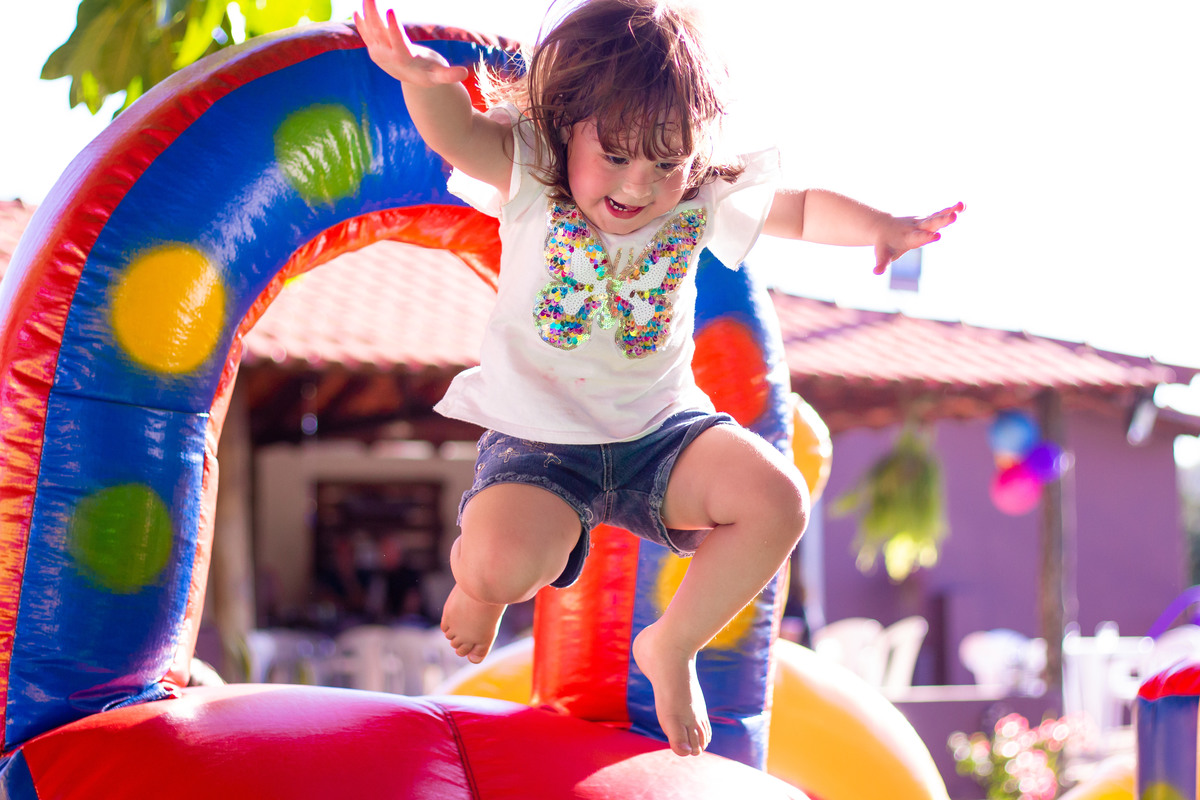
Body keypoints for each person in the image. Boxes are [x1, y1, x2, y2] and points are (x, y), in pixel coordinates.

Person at [356, 0, 961, 757]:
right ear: (567, 129)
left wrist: (881, 227)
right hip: (543, 444)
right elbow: (459, 134)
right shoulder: (533, 176)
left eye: (666, 163)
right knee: (502, 565)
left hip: (661, 434)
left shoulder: (699, 198)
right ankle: (478, 590)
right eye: (614, 155)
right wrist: (422, 84)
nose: (639, 184)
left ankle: (671, 647)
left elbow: (801, 209)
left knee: (776, 499)